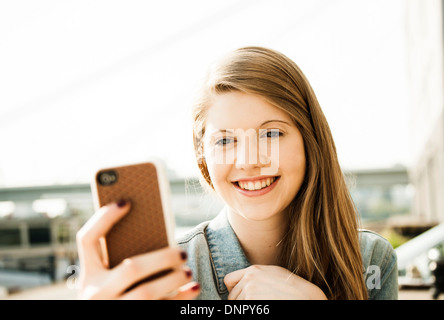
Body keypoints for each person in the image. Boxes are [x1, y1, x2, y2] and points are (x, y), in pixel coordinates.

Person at [76, 46, 398, 300]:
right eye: (225, 140)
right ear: (204, 156)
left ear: (309, 141)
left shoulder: (370, 260)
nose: (248, 161)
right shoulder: (170, 275)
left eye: (271, 134)